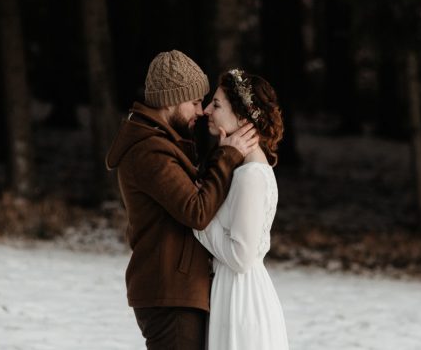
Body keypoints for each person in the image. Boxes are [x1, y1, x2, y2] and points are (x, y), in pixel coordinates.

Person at [105, 50, 258, 350]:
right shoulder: (149, 151)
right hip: (170, 293)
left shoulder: (164, 144)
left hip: (178, 289)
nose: (201, 111)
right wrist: (228, 157)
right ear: (171, 101)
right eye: (193, 102)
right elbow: (196, 211)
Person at [193, 68, 289, 350]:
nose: (207, 109)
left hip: (241, 300)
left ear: (244, 117)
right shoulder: (245, 168)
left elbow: (240, 256)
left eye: (217, 104)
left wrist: (198, 216)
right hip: (231, 292)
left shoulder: (251, 174)